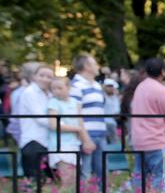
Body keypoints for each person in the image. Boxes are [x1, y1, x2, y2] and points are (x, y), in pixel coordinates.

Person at [129, 58, 165, 192]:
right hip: (157, 141)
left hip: (139, 141)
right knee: (161, 178)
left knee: (139, 177)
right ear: (162, 72)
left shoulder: (140, 87)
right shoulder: (162, 90)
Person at [70, 54, 108, 185]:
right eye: (95, 63)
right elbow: (76, 114)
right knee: (85, 172)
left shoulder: (97, 85)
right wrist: (85, 138)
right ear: (87, 66)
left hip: (100, 134)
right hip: (87, 135)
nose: (98, 66)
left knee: (102, 171)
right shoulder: (76, 86)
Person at [47, 76, 91, 184]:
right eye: (53, 88)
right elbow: (53, 125)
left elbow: (81, 123)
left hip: (73, 143)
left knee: (74, 178)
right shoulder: (53, 103)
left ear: (68, 88)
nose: (56, 91)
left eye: (59, 88)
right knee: (66, 178)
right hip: (60, 144)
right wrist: (76, 129)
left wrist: (87, 141)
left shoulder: (75, 102)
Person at [15, 64, 54, 182]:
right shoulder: (30, 92)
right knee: (35, 183)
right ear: (34, 77)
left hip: (47, 141)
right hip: (33, 141)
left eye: (49, 77)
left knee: (49, 182)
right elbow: (41, 118)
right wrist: (62, 125)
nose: (45, 79)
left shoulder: (49, 94)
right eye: (41, 75)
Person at [102, 79, 121, 145]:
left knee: (114, 144)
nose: (110, 88)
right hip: (104, 124)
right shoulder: (102, 97)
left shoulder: (116, 97)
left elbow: (117, 112)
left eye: (111, 86)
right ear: (104, 87)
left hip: (113, 124)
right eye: (108, 86)